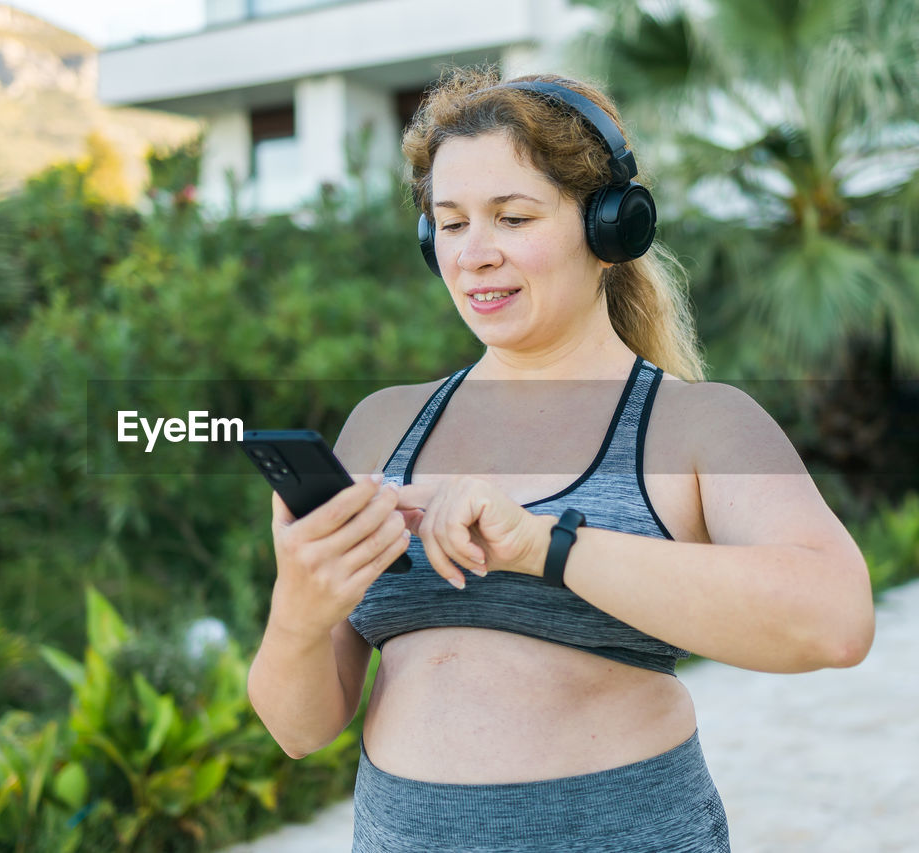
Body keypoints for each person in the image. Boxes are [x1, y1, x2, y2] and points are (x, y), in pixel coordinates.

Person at [245, 65, 876, 852]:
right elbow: (300, 729)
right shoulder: (382, 424)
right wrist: (299, 613)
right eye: (451, 223)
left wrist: (546, 545)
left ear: (611, 228)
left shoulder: (696, 425)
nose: (474, 254)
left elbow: (836, 620)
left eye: (512, 218)